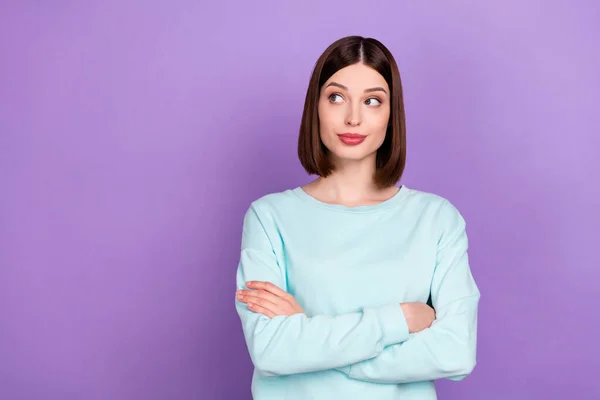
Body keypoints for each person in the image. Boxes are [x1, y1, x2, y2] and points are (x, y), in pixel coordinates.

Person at [234, 35, 480, 400]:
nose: (353, 117)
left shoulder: (436, 220)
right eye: (336, 97)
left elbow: (455, 353)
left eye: (372, 101)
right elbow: (272, 350)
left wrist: (310, 337)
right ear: (315, 107)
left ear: (391, 113)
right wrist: (398, 320)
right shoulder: (269, 218)